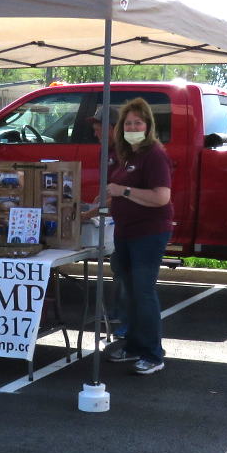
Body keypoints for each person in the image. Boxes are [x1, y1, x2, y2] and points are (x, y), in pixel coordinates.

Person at [104, 97, 172, 375]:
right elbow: (118, 189)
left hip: (148, 234)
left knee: (143, 293)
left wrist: (124, 192)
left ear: (148, 126)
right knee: (130, 294)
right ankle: (133, 346)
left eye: (137, 122)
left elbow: (161, 197)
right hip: (125, 232)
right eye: (128, 122)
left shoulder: (154, 154)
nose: (132, 126)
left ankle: (153, 354)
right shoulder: (126, 154)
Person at [79, 106, 128, 337]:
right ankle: (118, 313)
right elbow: (108, 187)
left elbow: (123, 190)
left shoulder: (128, 152)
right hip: (116, 219)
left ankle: (126, 320)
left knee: (127, 270)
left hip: (132, 220)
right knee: (118, 265)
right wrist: (100, 199)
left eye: (98, 129)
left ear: (112, 128)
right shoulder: (104, 151)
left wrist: (89, 214)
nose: (95, 134)